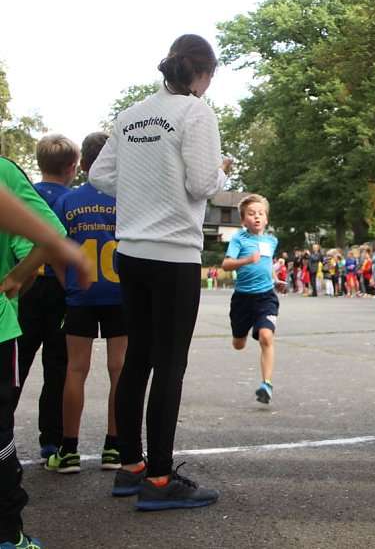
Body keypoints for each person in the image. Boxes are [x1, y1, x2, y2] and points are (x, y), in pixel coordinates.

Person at [89, 33, 230, 510]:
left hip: (131, 250)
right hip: (174, 252)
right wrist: (223, 172)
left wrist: (142, 187)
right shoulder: (196, 112)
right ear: (203, 73)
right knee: (170, 364)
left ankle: (131, 465)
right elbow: (203, 183)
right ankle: (161, 477)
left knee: (138, 359)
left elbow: (99, 175)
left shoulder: (130, 115)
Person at [0, 153, 91, 549]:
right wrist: (60, 252)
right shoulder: (8, 173)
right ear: (73, 166)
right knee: (58, 369)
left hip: (26, 306)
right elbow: (44, 236)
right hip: (33, 304)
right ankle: (7, 532)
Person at [45, 132, 127, 475]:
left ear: (83, 164)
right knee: (119, 369)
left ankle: (68, 450)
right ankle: (114, 447)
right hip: (119, 293)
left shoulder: (69, 200)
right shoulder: (126, 199)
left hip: (81, 293)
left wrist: (68, 286)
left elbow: (55, 250)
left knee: (76, 370)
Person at [13, 134, 78, 463]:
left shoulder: (24, 194)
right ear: (72, 167)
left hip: (26, 283)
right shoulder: (73, 200)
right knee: (57, 366)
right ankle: (51, 439)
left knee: (17, 362)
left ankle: (4, 430)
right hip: (59, 287)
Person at [222, 194, 284, 404]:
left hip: (266, 296)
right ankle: (244, 330)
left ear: (266, 219)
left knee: (266, 337)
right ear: (243, 220)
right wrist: (247, 260)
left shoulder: (271, 241)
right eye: (251, 213)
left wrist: (275, 279)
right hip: (242, 298)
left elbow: (267, 263)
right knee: (238, 344)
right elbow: (226, 264)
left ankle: (266, 384)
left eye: (261, 213)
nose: (257, 216)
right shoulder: (239, 239)